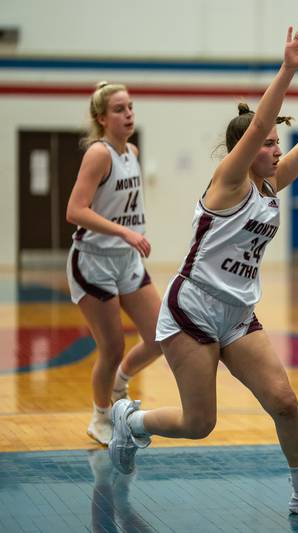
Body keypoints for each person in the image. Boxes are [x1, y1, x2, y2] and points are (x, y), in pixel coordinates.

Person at [107, 23, 298, 519]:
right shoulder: (229, 180)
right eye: (268, 144)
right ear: (244, 149)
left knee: (284, 400)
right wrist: (287, 68)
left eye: (278, 144)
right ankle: (131, 422)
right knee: (200, 423)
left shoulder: (270, 184)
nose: (276, 148)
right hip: (193, 307)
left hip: (238, 312)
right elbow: (258, 125)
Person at [66, 81, 163, 446]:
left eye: (131, 107)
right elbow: (75, 211)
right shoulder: (99, 154)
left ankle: (120, 385)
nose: (128, 114)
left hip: (127, 259)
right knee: (112, 347)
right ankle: (100, 416)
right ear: (101, 118)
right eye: (120, 109)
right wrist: (124, 232)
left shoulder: (132, 151)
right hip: (93, 261)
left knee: (158, 337)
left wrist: (128, 236)